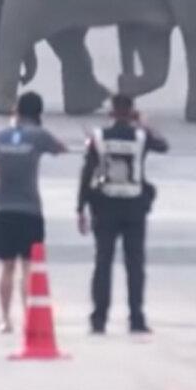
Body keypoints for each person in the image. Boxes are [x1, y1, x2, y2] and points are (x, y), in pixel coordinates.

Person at [77, 94, 169, 334]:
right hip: (134, 208)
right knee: (135, 266)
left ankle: (99, 320)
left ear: (111, 112)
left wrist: (80, 208)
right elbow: (163, 146)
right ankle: (136, 319)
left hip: (104, 207)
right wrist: (144, 123)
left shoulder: (98, 138)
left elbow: (86, 174)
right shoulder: (141, 136)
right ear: (131, 112)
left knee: (102, 263)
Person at [0, 91, 66, 333]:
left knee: (6, 267)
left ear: (16, 111)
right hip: (30, 210)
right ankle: (29, 317)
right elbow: (61, 148)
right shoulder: (39, 136)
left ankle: (5, 319)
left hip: (3, 209)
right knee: (29, 267)